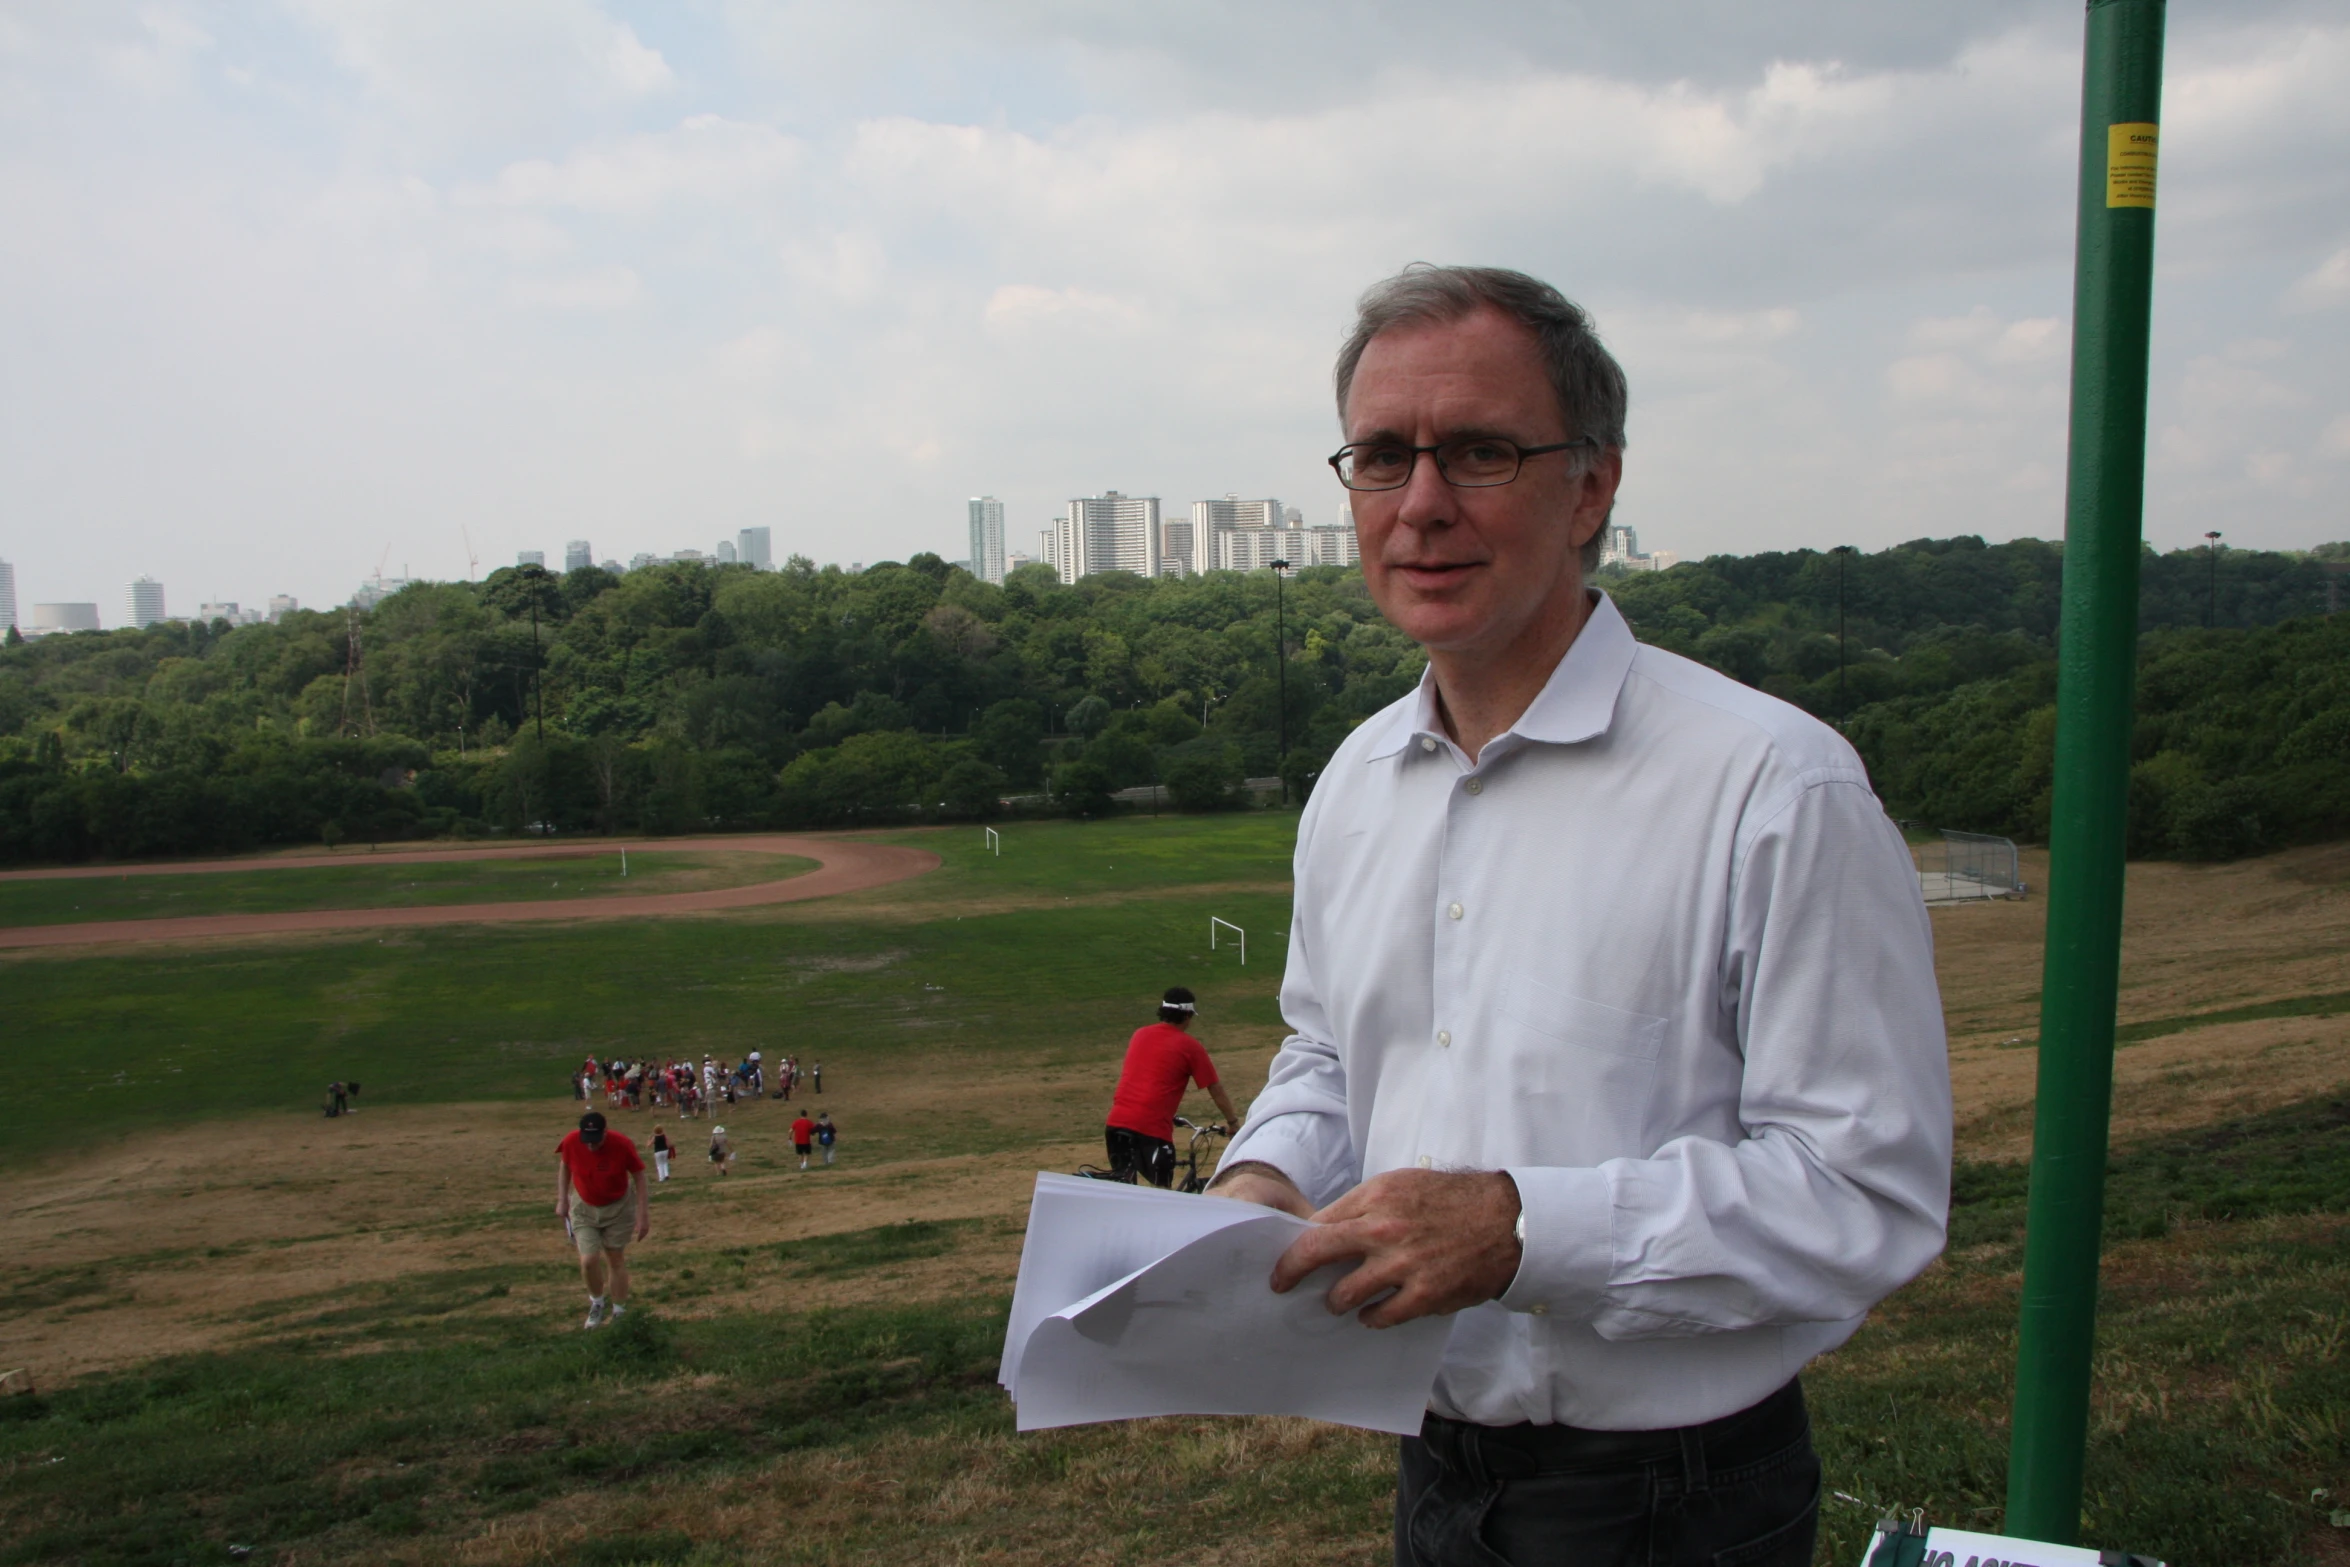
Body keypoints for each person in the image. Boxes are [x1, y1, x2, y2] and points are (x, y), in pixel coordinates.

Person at [1207, 265, 1952, 1567]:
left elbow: (1862, 1193)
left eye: (1479, 452)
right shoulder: (1355, 783)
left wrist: (1519, 1228)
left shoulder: (1770, 784)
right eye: (1382, 458)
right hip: (1434, 1463)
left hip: (1676, 1497)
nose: (1422, 504)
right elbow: (1330, 1051)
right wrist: (1262, 1178)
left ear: (1592, 485)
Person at [1105, 987, 1240, 1188]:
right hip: (1151, 1129)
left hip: (1116, 1125)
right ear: (1187, 1015)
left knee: (1123, 1188)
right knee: (1164, 1196)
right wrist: (1233, 1123)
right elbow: (1215, 1088)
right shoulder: (1190, 1046)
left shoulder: (1140, 1034)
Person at [555, 1110, 649, 1330]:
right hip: (584, 1207)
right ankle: (597, 1302)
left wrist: (642, 1215)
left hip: (618, 1207)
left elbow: (640, 1176)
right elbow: (565, 1166)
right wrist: (562, 1200)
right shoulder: (570, 1141)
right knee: (588, 1260)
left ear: (605, 1133)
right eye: (586, 1141)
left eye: (595, 1141)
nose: (590, 1146)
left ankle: (619, 1311)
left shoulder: (622, 1144)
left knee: (615, 1258)